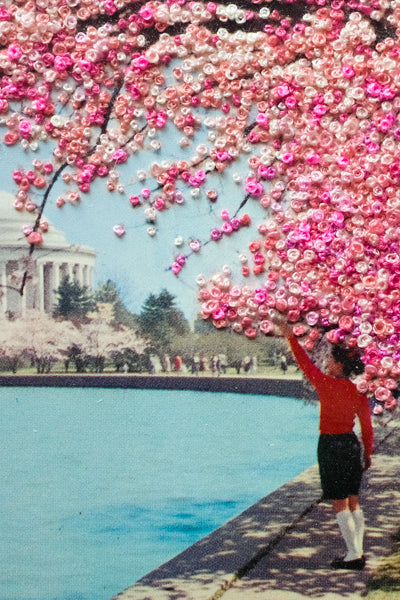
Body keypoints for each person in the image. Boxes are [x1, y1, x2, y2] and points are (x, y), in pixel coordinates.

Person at [280, 323, 373, 571]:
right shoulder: (358, 392)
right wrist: (368, 453)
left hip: (331, 445)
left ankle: (353, 555)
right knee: (354, 500)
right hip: (351, 445)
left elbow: (303, 363)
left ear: (340, 366)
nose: (327, 364)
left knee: (339, 501)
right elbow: (366, 426)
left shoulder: (324, 383)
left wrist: (291, 338)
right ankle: (358, 551)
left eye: (331, 361)